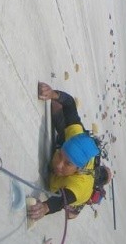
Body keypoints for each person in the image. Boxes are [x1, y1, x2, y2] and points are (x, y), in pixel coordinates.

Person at [28, 82, 100, 221]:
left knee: (71, 213)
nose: (59, 165)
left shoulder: (78, 186)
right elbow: (70, 105)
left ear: (78, 169)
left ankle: (78, 208)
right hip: (75, 146)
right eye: (60, 155)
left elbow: (62, 200)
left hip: (83, 191)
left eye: (67, 164)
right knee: (56, 105)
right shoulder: (75, 136)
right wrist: (53, 93)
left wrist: (45, 207)